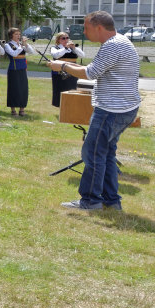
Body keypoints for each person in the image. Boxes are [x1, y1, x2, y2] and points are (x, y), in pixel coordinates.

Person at [50, 11, 140, 212]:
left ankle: (91, 201)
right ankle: (111, 200)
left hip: (111, 110)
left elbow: (90, 73)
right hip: (123, 108)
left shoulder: (112, 45)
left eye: (86, 28)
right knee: (106, 153)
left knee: (92, 153)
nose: (84, 32)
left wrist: (62, 65)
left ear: (99, 27)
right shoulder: (121, 41)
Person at [2, 28, 37, 116]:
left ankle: (22, 109)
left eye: (19, 34)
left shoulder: (22, 44)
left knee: (23, 89)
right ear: (11, 36)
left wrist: (26, 45)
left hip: (22, 69)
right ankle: (13, 109)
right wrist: (21, 47)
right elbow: (14, 54)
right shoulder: (7, 45)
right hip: (13, 69)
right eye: (16, 34)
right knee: (13, 89)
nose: (18, 36)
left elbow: (31, 52)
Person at [49, 32, 85, 108]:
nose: (66, 40)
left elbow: (82, 55)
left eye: (67, 38)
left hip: (73, 71)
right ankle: (62, 108)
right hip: (60, 72)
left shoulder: (72, 48)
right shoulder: (55, 48)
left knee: (72, 88)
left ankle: (71, 107)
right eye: (63, 38)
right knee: (61, 89)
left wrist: (74, 48)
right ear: (58, 40)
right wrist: (65, 48)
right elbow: (56, 55)